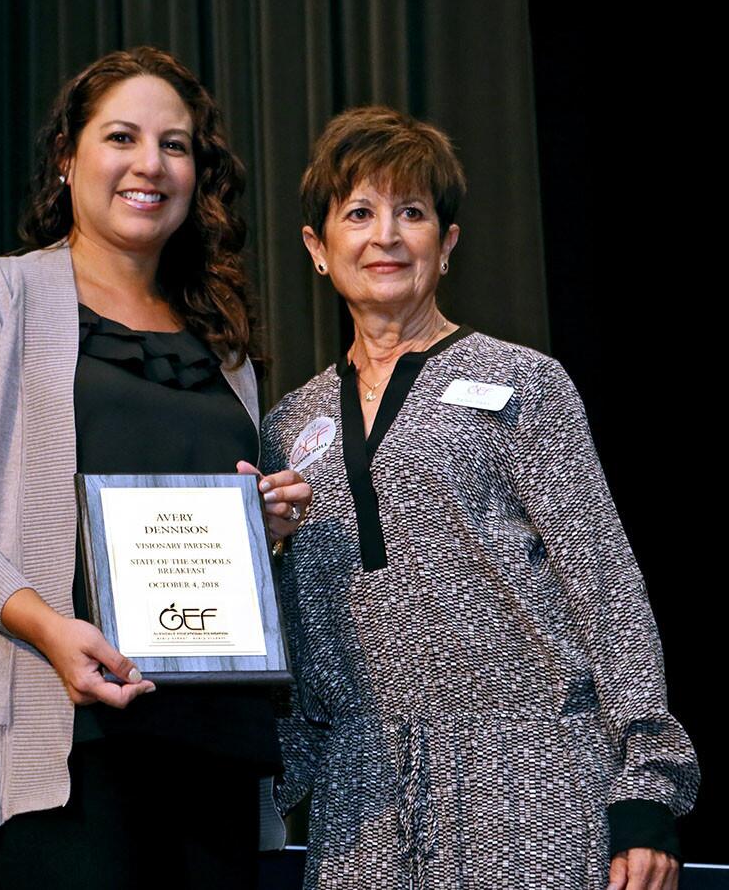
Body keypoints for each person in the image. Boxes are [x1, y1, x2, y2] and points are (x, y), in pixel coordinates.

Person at [0, 46, 310, 890]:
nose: (149, 164)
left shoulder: (222, 339)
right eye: (121, 136)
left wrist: (259, 526)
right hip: (63, 741)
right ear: (67, 156)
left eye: (176, 144)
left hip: (214, 742)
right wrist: (50, 628)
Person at [261, 106, 699, 890]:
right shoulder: (288, 422)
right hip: (356, 795)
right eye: (358, 213)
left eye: (412, 212)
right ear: (317, 249)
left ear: (447, 243)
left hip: (529, 770)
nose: (386, 235)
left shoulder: (525, 382)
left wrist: (646, 787)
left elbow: (605, 583)